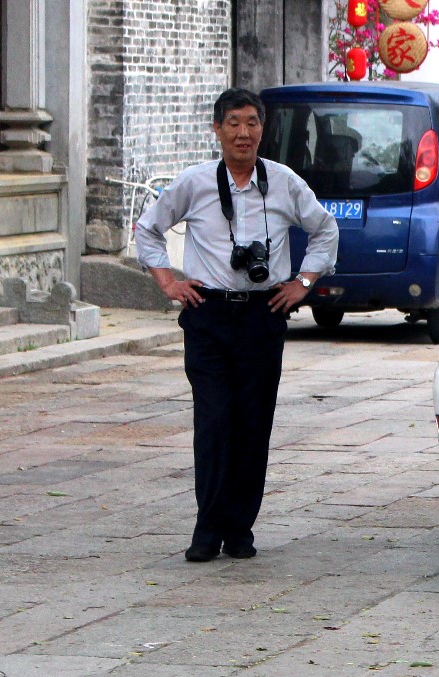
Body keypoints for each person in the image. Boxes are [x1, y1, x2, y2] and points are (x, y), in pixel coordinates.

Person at [135, 88, 339, 562]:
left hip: (262, 314)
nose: (243, 133)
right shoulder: (195, 182)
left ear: (261, 129)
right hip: (207, 313)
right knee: (213, 422)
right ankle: (207, 528)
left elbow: (325, 228)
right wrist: (167, 279)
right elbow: (148, 227)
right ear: (217, 130)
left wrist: (303, 281)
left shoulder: (284, 182)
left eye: (251, 123)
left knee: (253, 423)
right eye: (233, 123)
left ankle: (240, 529)